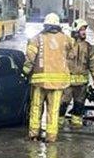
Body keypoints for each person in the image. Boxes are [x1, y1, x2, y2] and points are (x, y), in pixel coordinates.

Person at [22, 13, 73, 143]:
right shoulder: (66, 39)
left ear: (45, 25)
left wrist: (24, 72)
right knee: (53, 111)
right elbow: (71, 57)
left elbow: (30, 58)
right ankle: (51, 138)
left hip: (39, 82)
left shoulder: (36, 39)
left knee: (36, 107)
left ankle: (33, 135)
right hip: (58, 84)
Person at [63, 20, 94, 127]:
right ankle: (58, 128)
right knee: (62, 106)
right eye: (82, 29)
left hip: (82, 86)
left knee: (79, 107)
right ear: (76, 31)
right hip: (67, 84)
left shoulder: (88, 47)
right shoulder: (67, 45)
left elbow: (92, 63)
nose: (84, 32)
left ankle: (76, 130)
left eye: (85, 29)